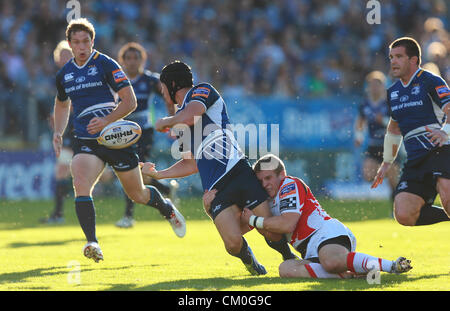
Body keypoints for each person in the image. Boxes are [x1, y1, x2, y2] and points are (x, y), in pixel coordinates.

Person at [140, 60, 297, 275]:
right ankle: (251, 263)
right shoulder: (179, 122)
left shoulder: (202, 91)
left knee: (269, 228)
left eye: (163, 87)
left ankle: (290, 258)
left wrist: (164, 121)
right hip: (216, 189)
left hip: (239, 172)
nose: (162, 92)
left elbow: (190, 115)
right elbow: (191, 163)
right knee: (232, 245)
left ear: (172, 84)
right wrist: (158, 174)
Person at [52, 18, 186, 263]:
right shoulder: (64, 74)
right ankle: (92, 241)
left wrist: (105, 121)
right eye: (76, 42)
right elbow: (62, 104)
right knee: (80, 180)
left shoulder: (105, 64)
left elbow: (130, 101)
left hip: (116, 138)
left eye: (86, 41)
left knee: (138, 194)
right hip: (85, 140)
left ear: (92, 41)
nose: (82, 46)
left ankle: (166, 208)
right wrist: (58, 132)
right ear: (70, 44)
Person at [204, 154, 412, 279]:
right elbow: (236, 231)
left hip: (326, 234)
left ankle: (391, 265)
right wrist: (212, 209)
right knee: (285, 269)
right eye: (260, 181)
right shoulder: (264, 202)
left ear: (281, 175)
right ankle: (350, 275)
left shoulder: (289, 185)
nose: (265, 184)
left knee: (330, 261)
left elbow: (287, 224)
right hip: (310, 251)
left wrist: (254, 220)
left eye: (269, 178)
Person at [372, 37, 450, 227]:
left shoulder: (430, 81)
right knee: (404, 214)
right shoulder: (393, 92)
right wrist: (387, 162)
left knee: (448, 198)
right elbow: (394, 127)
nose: (393, 61)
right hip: (416, 159)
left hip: (440, 150)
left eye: (399, 56)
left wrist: (445, 132)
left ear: (413, 60)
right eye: (391, 57)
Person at [115, 42, 178, 228]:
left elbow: (168, 95)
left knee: (133, 170)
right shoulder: (117, 80)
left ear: (143, 60)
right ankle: (166, 189)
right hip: (122, 132)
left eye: (136, 58)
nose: (132, 62)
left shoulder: (150, 80)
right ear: (122, 61)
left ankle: (128, 216)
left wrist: (172, 118)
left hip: (144, 132)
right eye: (128, 58)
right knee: (138, 174)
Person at [39, 40, 74, 224]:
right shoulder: (61, 77)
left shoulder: (79, 74)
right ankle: (58, 214)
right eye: (61, 57)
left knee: (106, 175)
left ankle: (158, 187)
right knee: (61, 170)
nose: (63, 59)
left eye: (67, 55)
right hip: (70, 133)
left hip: (86, 130)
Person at [354, 71, 400, 202]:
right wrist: (358, 136)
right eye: (372, 85)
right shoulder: (365, 105)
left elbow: (399, 122)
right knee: (367, 174)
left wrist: (384, 121)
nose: (374, 88)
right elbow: (360, 122)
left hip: (390, 144)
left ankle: (395, 201)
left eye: (377, 84)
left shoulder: (390, 103)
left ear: (383, 86)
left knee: (393, 177)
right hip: (374, 144)